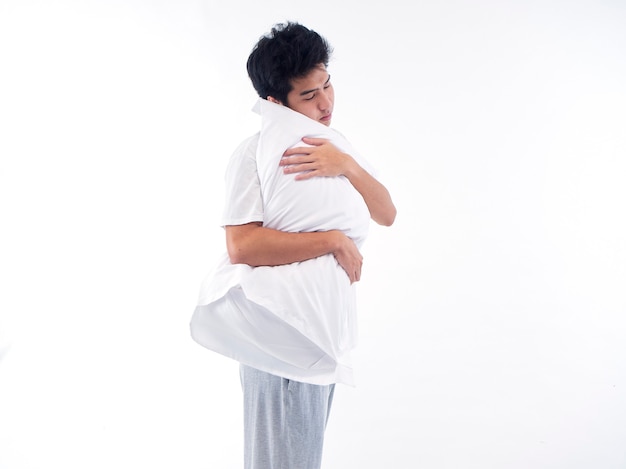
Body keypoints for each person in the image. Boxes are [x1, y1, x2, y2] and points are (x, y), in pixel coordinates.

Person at [190, 22, 396, 469]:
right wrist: (332, 240)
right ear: (275, 102)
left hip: (319, 333)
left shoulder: (337, 149)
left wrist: (346, 166)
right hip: (280, 333)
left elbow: (387, 213)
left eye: (328, 86)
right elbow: (242, 244)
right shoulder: (254, 153)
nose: (325, 104)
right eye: (308, 95)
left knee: (300, 459)